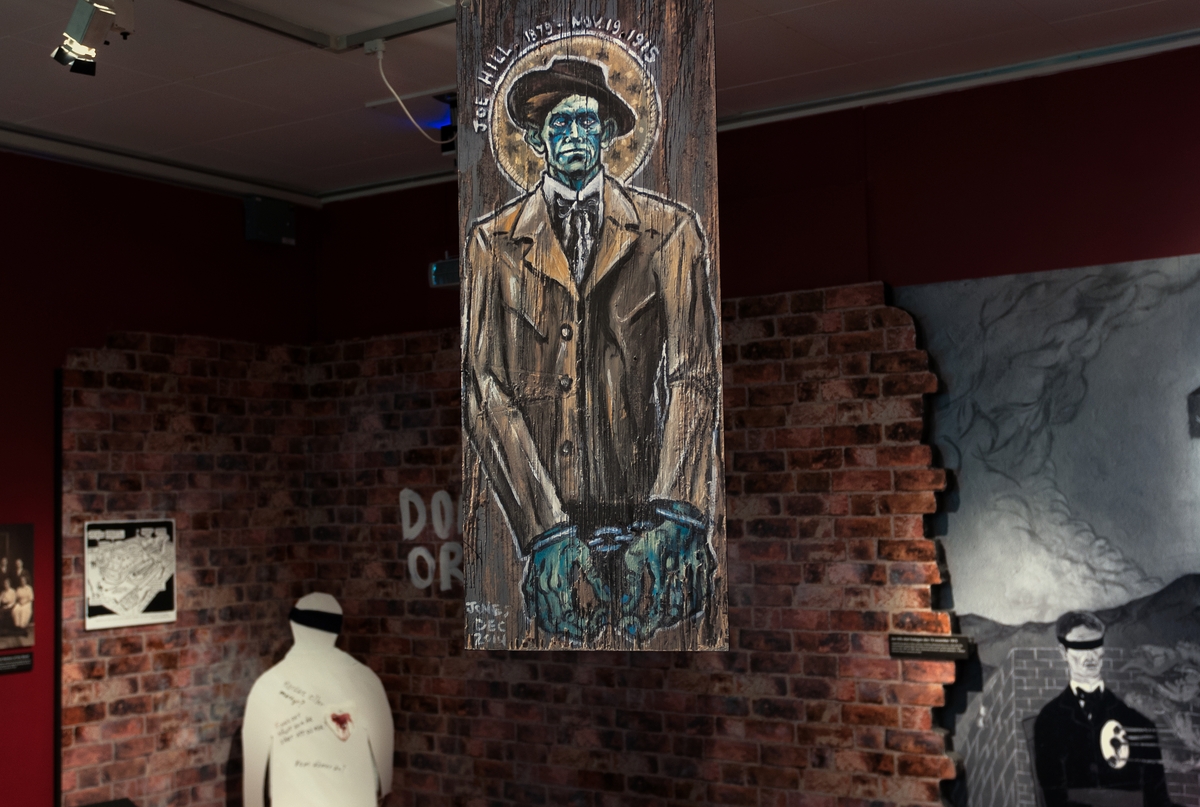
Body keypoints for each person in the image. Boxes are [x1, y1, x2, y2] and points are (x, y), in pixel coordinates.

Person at [462, 55, 721, 644]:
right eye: (559, 123)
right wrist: (544, 527)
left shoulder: (670, 231)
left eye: (586, 121)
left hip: (645, 512)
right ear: (535, 139)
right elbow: (483, 386)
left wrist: (676, 511)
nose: (574, 135)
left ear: (606, 132)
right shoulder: (492, 244)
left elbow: (693, 373)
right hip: (544, 520)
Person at [242, 593, 393, 807]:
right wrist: (385, 788)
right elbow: (383, 739)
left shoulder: (268, 684)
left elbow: (253, 766)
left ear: (293, 626)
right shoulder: (365, 679)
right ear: (336, 631)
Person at [1034, 611, 1174, 806]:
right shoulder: (1048, 721)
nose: (1090, 655)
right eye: (1080, 646)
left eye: (1095, 645)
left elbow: (1158, 801)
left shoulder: (1139, 723)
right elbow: (1055, 801)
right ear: (1063, 652)